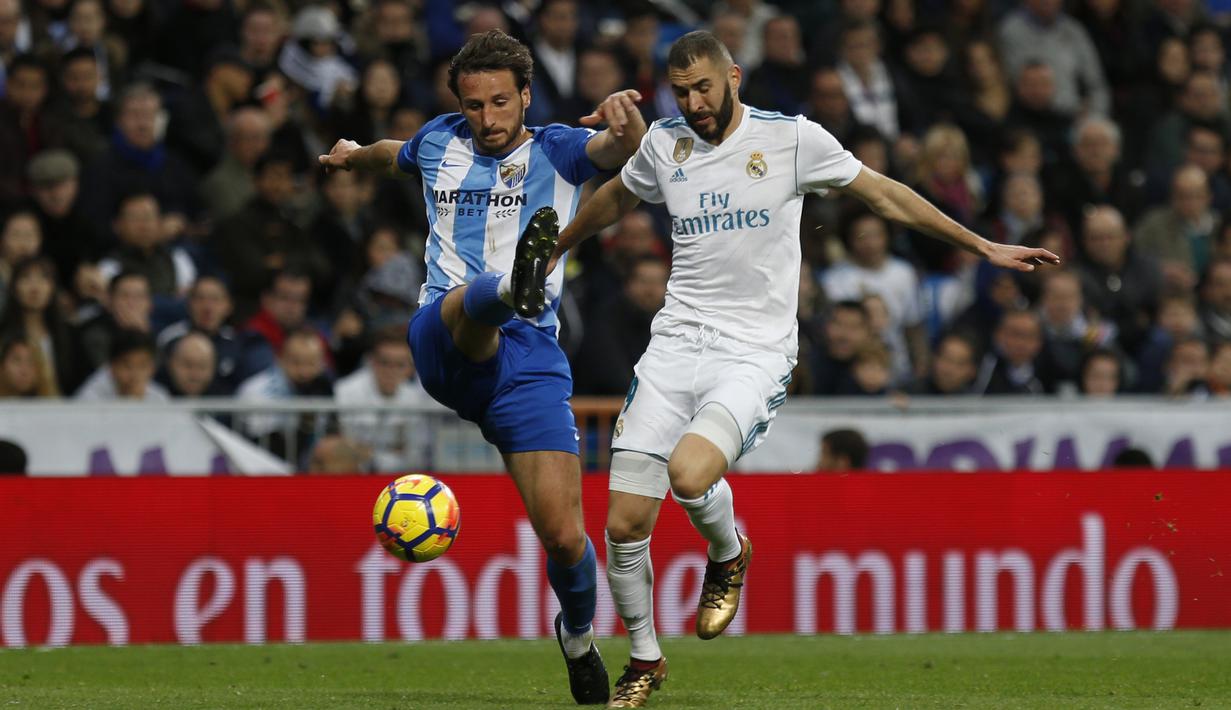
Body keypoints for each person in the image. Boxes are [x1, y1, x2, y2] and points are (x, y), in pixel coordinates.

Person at [548, 30, 1058, 707]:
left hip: (754, 350)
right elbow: (617, 195)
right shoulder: (663, 145)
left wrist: (978, 243)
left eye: (704, 86)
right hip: (673, 347)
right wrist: (557, 245)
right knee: (620, 526)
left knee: (689, 474)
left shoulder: (791, 140)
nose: (695, 102)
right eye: (682, 91)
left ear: (733, 76)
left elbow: (884, 194)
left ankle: (729, 553)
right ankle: (644, 659)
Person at [317, 29, 647, 705]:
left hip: (529, 362)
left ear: (525, 95)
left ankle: (578, 636)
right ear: (458, 104)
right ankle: (509, 284)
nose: (488, 119)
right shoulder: (439, 141)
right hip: (445, 332)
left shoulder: (556, 148)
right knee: (473, 301)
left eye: (501, 102)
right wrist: (353, 157)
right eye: (474, 105)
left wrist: (627, 119)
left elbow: (620, 150)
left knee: (562, 535)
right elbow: (392, 155)